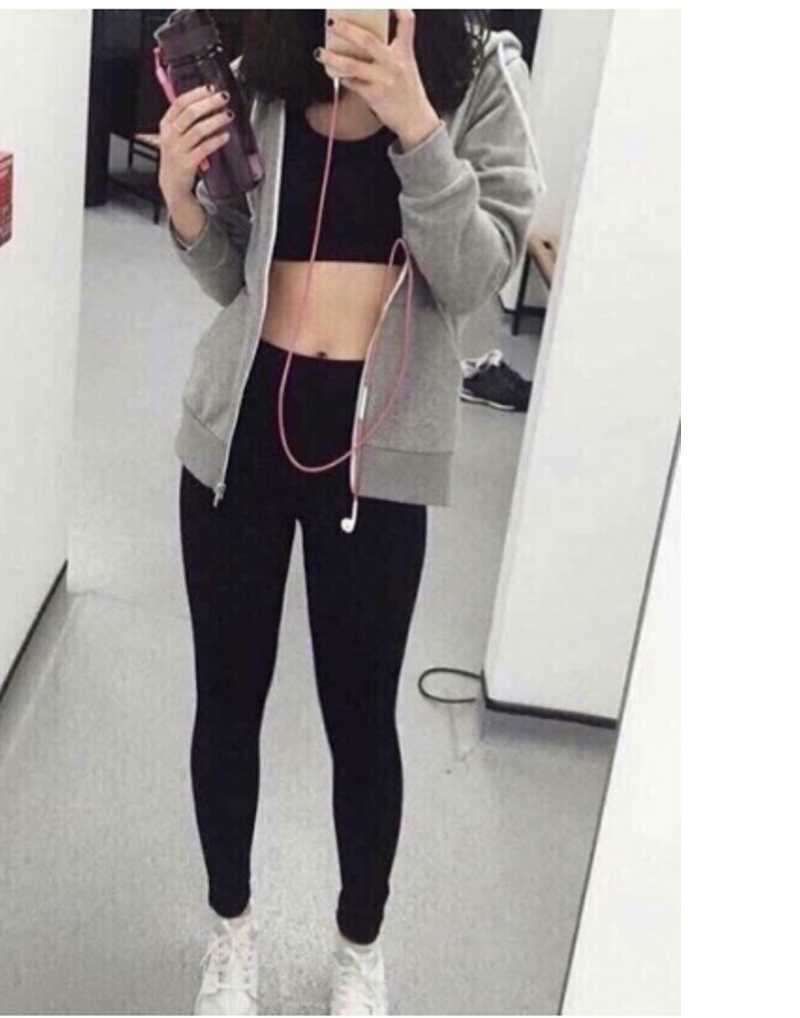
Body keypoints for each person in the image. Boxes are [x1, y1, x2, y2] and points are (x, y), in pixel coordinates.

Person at [157, 10, 542, 1015]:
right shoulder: (268, 59)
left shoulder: (481, 73)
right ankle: (231, 932)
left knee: (362, 720)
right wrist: (182, 202)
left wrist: (417, 121)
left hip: (377, 451)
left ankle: (358, 947)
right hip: (239, 434)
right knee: (226, 703)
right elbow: (231, 276)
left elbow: (475, 277)